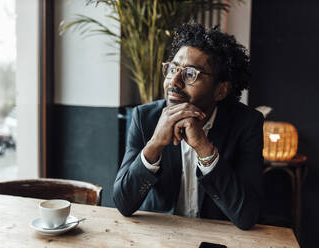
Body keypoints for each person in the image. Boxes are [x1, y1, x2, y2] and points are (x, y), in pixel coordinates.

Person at [113, 22, 265, 230]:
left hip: (216, 239)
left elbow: (247, 215)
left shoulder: (246, 124)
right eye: (173, 69)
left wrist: (204, 148)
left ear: (220, 91)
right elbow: (123, 203)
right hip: (158, 238)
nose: (174, 81)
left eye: (191, 73)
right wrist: (155, 144)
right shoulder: (145, 118)